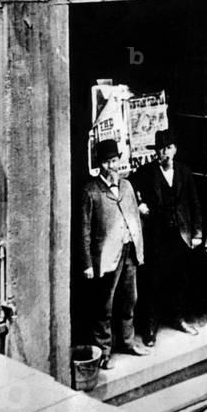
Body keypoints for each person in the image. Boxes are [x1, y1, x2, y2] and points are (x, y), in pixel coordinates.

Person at [80, 138, 148, 370]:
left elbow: (135, 219)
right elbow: (84, 231)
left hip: (129, 251)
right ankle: (105, 352)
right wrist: (87, 264)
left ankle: (128, 342)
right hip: (105, 257)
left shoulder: (127, 186)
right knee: (104, 306)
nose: (114, 166)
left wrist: (139, 247)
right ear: (100, 165)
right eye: (109, 162)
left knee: (130, 299)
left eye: (116, 160)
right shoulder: (90, 191)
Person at [132, 129, 203, 346]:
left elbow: (194, 204)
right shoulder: (146, 173)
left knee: (179, 278)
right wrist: (140, 204)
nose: (166, 153)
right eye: (162, 149)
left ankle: (178, 318)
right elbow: (129, 188)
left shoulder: (184, 172)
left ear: (175, 149)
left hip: (180, 235)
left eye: (169, 148)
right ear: (157, 152)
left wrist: (197, 233)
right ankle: (150, 326)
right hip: (156, 236)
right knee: (153, 281)